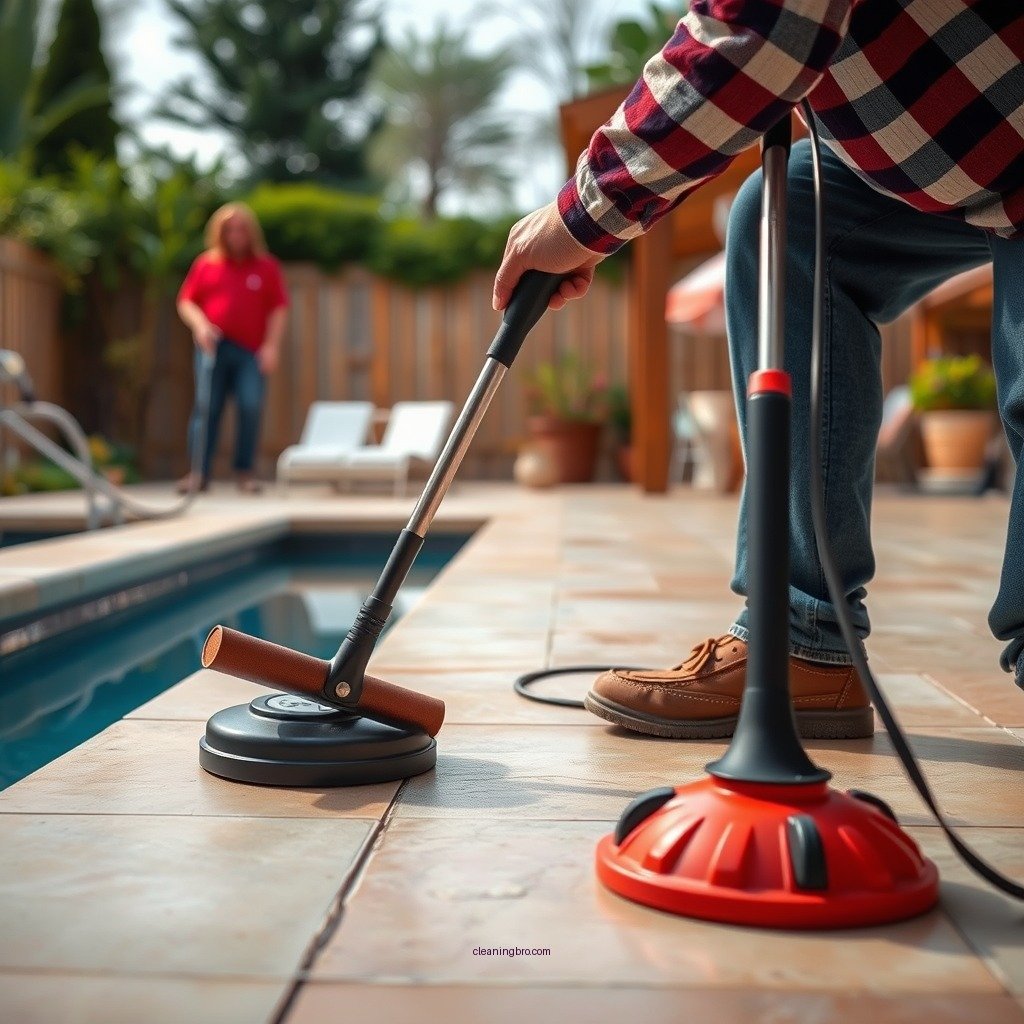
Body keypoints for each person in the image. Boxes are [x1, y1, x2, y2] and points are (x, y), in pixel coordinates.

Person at [494, 1, 1024, 739]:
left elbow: (759, 30)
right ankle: (804, 646)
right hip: (974, 151)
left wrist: (582, 214)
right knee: (789, 218)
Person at [176, 202, 289, 494]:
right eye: (229, 229)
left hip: (250, 352)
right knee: (206, 408)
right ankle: (198, 474)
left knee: (250, 406)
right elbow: (186, 301)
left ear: (251, 232)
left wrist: (271, 347)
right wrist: (200, 326)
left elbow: (278, 308)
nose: (235, 234)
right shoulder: (206, 264)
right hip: (213, 349)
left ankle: (245, 473)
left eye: (241, 229)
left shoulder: (266, 267)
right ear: (219, 233)